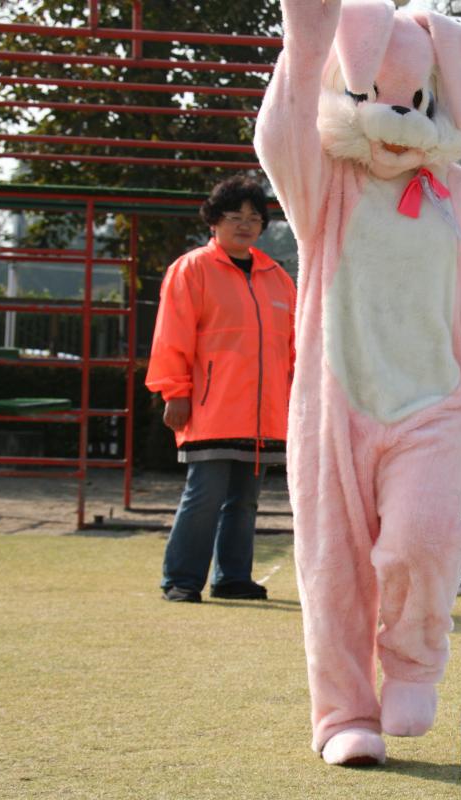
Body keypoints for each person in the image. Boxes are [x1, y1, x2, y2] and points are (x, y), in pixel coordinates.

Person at [147, 176, 295, 604]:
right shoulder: (191, 269)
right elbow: (171, 336)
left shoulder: (277, 277)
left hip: (266, 414)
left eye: (253, 217)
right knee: (204, 497)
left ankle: (232, 577)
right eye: (235, 217)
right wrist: (174, 391)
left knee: (245, 502)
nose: (245, 225)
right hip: (209, 408)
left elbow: (296, 344)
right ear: (214, 221)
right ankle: (181, 579)